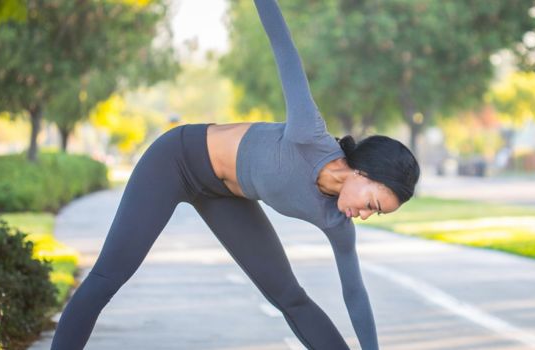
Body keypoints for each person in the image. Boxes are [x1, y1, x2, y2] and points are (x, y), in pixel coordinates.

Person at [49, 0, 420, 349]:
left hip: (223, 194)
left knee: (290, 297)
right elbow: (283, 47)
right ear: (363, 171)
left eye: (376, 213)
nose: (365, 214)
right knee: (107, 278)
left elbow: (354, 294)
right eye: (372, 204)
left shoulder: (337, 224)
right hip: (176, 159)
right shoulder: (309, 135)